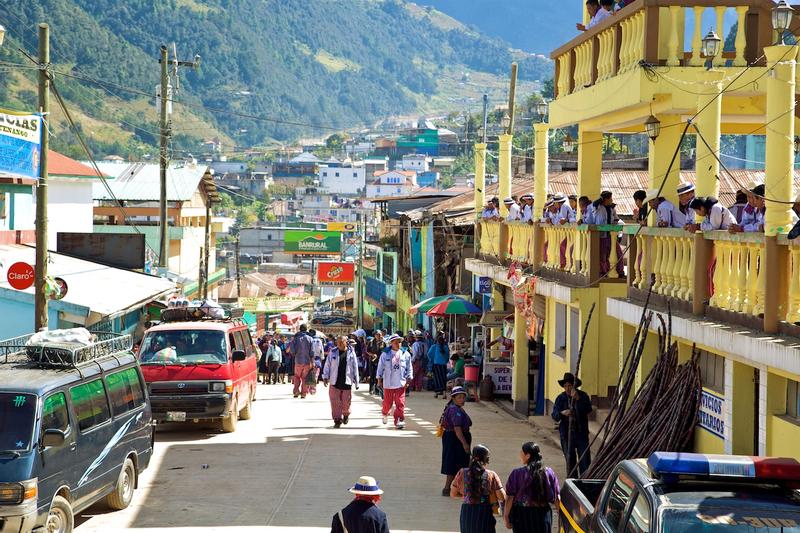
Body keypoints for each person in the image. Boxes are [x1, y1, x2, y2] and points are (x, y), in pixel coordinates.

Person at [503, 442, 560, 533]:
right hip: (543, 515)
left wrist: (506, 516)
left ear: (528, 455)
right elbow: (557, 497)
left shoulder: (517, 474)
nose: (520, 454)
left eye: (522, 452)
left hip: (522, 516)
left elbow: (510, 497)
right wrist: (561, 516)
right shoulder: (548, 472)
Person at [450, 444, 506, 533]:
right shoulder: (491, 475)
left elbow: (453, 493)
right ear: (486, 459)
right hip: (484, 512)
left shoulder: (462, 473)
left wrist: (468, 496)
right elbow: (501, 496)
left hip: (467, 512)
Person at [552, 372, 593, 477]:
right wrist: (562, 413)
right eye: (565, 386)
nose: (567, 388)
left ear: (574, 386)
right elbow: (555, 415)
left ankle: (584, 481)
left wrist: (578, 399)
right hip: (566, 434)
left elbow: (588, 409)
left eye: (569, 385)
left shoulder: (583, 396)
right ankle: (572, 483)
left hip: (581, 433)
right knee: (570, 462)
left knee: (584, 461)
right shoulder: (560, 398)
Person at [440, 386, 473, 496]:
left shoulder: (455, 407)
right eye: (459, 397)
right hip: (455, 439)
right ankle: (448, 488)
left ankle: (455, 488)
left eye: (463, 397)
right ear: (453, 398)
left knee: (457, 463)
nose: (462, 399)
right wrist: (465, 444)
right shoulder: (455, 410)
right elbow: (457, 428)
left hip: (454, 438)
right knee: (455, 464)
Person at [376, 334, 412, 429]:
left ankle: (399, 420)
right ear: (391, 343)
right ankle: (385, 413)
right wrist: (379, 379)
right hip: (388, 383)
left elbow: (409, 368)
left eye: (399, 342)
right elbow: (380, 367)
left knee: (400, 402)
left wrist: (409, 379)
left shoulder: (406, 354)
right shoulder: (385, 354)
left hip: (400, 383)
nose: (398, 344)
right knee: (388, 403)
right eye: (396, 342)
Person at [322, 335, 359, 428]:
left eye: (341, 342)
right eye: (337, 342)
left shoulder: (351, 352)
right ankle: (337, 420)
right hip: (335, 381)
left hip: (347, 381)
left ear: (346, 342)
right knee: (335, 402)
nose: (338, 344)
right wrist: (325, 376)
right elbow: (327, 364)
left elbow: (355, 367)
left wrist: (357, 381)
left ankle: (346, 414)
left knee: (346, 402)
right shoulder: (333, 352)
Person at [288, 324, 314, 399]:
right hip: (307, 361)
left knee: (296, 376)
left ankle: (296, 392)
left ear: (300, 329)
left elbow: (292, 350)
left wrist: (296, 354)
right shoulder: (310, 339)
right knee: (305, 378)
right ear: (306, 330)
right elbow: (312, 352)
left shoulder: (295, 338)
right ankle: (303, 394)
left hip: (298, 361)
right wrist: (312, 361)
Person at [428, 333, 450, 398]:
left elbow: (429, 354)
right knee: (443, 379)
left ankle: (436, 393)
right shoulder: (446, 347)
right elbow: (447, 356)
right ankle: (444, 393)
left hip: (436, 365)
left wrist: (432, 360)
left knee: (437, 379)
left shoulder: (434, 346)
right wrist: (445, 361)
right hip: (443, 365)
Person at [367, 330, 385, 394]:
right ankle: (371, 389)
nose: (378, 336)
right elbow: (367, 351)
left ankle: (377, 390)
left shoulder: (384, 342)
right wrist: (372, 355)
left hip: (380, 361)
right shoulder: (371, 342)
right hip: (372, 360)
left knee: (379, 375)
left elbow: (386, 351)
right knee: (372, 374)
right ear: (375, 335)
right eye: (377, 334)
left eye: (380, 334)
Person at [309, 329, 324, 395]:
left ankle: (307, 389)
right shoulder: (319, 341)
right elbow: (321, 351)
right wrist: (321, 358)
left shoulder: (308, 340)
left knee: (308, 375)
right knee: (315, 376)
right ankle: (313, 390)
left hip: (308, 360)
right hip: (317, 360)